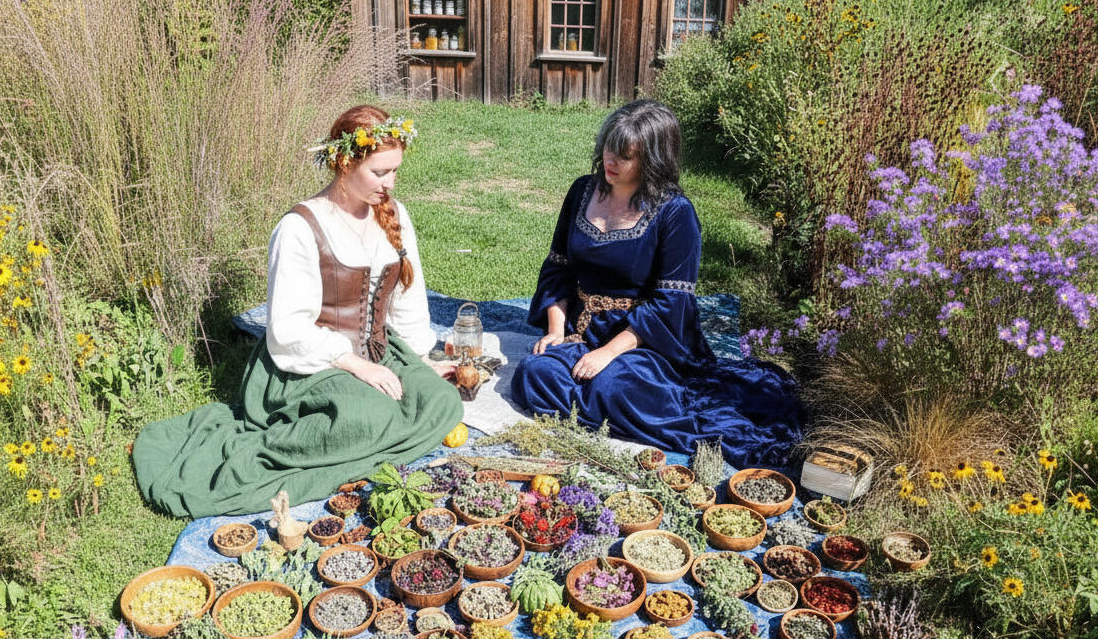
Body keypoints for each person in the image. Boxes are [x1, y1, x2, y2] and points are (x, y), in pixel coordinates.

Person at [133, 105, 463, 518]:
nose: (390, 183)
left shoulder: (393, 213)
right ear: (345, 163)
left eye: (395, 171)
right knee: (368, 414)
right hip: (310, 365)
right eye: (380, 172)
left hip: (380, 351)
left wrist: (419, 360)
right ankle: (310, 445)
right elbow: (288, 329)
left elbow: (406, 302)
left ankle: (360, 442)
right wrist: (356, 366)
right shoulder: (300, 227)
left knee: (441, 402)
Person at [511, 99, 802, 466]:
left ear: (652, 160)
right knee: (532, 374)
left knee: (613, 386)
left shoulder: (675, 213)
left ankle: (606, 400)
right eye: (608, 148)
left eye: (624, 156)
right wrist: (556, 331)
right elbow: (559, 267)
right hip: (580, 331)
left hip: (646, 340)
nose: (610, 161)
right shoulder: (582, 191)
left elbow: (670, 304)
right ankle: (609, 406)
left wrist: (607, 353)